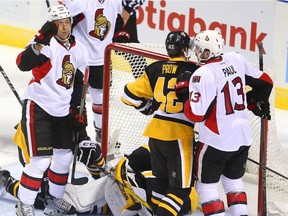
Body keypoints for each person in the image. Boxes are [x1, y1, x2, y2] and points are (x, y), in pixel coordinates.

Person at [183, 30, 273, 215]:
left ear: (208, 52)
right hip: (242, 137)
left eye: (200, 49)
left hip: (216, 141)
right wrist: (254, 100)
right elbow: (266, 82)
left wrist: (185, 96)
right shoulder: (235, 59)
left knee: (205, 188)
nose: (197, 52)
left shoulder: (203, 73)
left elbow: (196, 115)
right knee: (233, 182)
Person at [14, 5, 89, 216]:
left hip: (62, 111)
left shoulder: (79, 49)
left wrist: (77, 111)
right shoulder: (46, 45)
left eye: (67, 23)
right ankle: (25, 204)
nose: (64, 28)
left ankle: (53, 200)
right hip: (39, 107)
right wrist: (38, 41)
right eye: (59, 24)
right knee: (40, 162)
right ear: (51, 26)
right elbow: (22, 63)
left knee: (64, 158)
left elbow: (79, 83)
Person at [120, 31, 200, 215]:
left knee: (161, 183)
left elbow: (127, 95)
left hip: (155, 135)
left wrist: (146, 107)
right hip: (179, 135)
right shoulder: (194, 71)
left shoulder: (155, 68)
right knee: (181, 190)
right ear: (186, 49)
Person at [0, 143, 199, 216]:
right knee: (59, 196)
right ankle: (6, 181)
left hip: (116, 205)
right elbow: (115, 174)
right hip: (106, 198)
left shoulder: (188, 193)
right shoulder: (150, 152)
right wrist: (97, 162)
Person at [63, 0, 145, 143]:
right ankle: (66, 131)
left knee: (100, 98)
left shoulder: (115, 2)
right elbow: (65, 24)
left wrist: (120, 33)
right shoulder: (81, 3)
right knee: (71, 98)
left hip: (101, 59)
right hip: (79, 60)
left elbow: (117, 19)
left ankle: (101, 132)